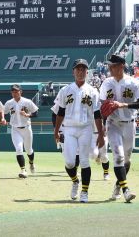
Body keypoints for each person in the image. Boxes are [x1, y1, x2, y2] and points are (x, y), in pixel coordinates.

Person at [54, 59, 105, 203]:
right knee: (70, 162)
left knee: (84, 161)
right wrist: (56, 130)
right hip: (69, 128)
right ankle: (75, 181)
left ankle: (85, 192)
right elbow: (61, 112)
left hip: (86, 128)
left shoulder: (92, 91)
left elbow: (97, 114)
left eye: (84, 69)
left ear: (87, 72)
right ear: (73, 72)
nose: (81, 72)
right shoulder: (65, 90)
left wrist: (100, 134)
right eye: (78, 69)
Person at [99, 54, 139, 202]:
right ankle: (126, 190)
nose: (109, 68)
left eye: (112, 65)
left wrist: (123, 104)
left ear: (121, 66)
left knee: (126, 160)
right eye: (109, 66)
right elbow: (103, 106)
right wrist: (102, 126)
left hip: (129, 124)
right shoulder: (106, 83)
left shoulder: (133, 83)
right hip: (113, 124)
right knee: (118, 156)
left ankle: (118, 185)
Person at [4, 84, 39, 178]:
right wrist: (2, 118)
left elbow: (36, 112)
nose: (15, 93)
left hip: (26, 128)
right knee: (19, 149)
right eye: (13, 91)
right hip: (15, 129)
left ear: (21, 91)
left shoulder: (27, 101)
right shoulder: (9, 103)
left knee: (29, 150)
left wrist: (28, 115)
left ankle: (31, 163)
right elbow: (3, 112)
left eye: (16, 91)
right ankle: (23, 170)